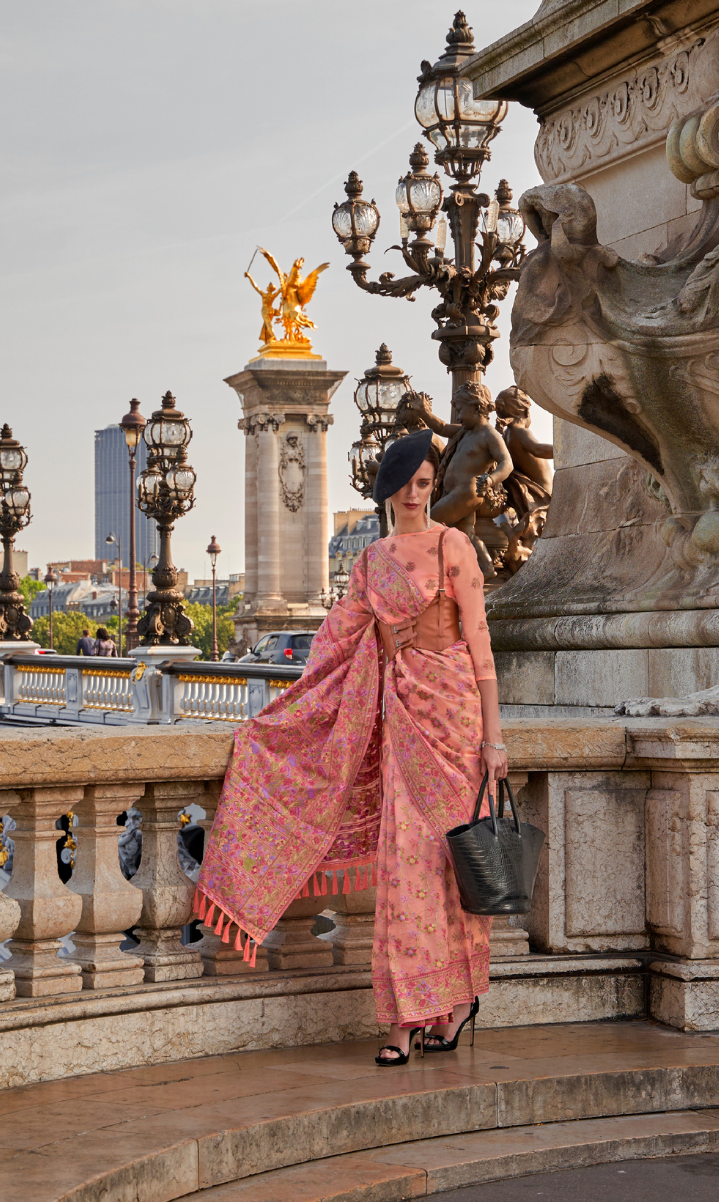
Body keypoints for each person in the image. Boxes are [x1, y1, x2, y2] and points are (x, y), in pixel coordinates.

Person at [197, 428, 508, 1066]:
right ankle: (401, 1021)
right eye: (407, 484)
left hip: (455, 719)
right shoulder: (370, 564)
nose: (417, 495)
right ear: (388, 488)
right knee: (403, 871)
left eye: (427, 482)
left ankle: (453, 1007)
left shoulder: (455, 546)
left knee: (456, 870)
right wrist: (278, 724)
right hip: (401, 719)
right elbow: (332, 655)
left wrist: (495, 739)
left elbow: (481, 650)